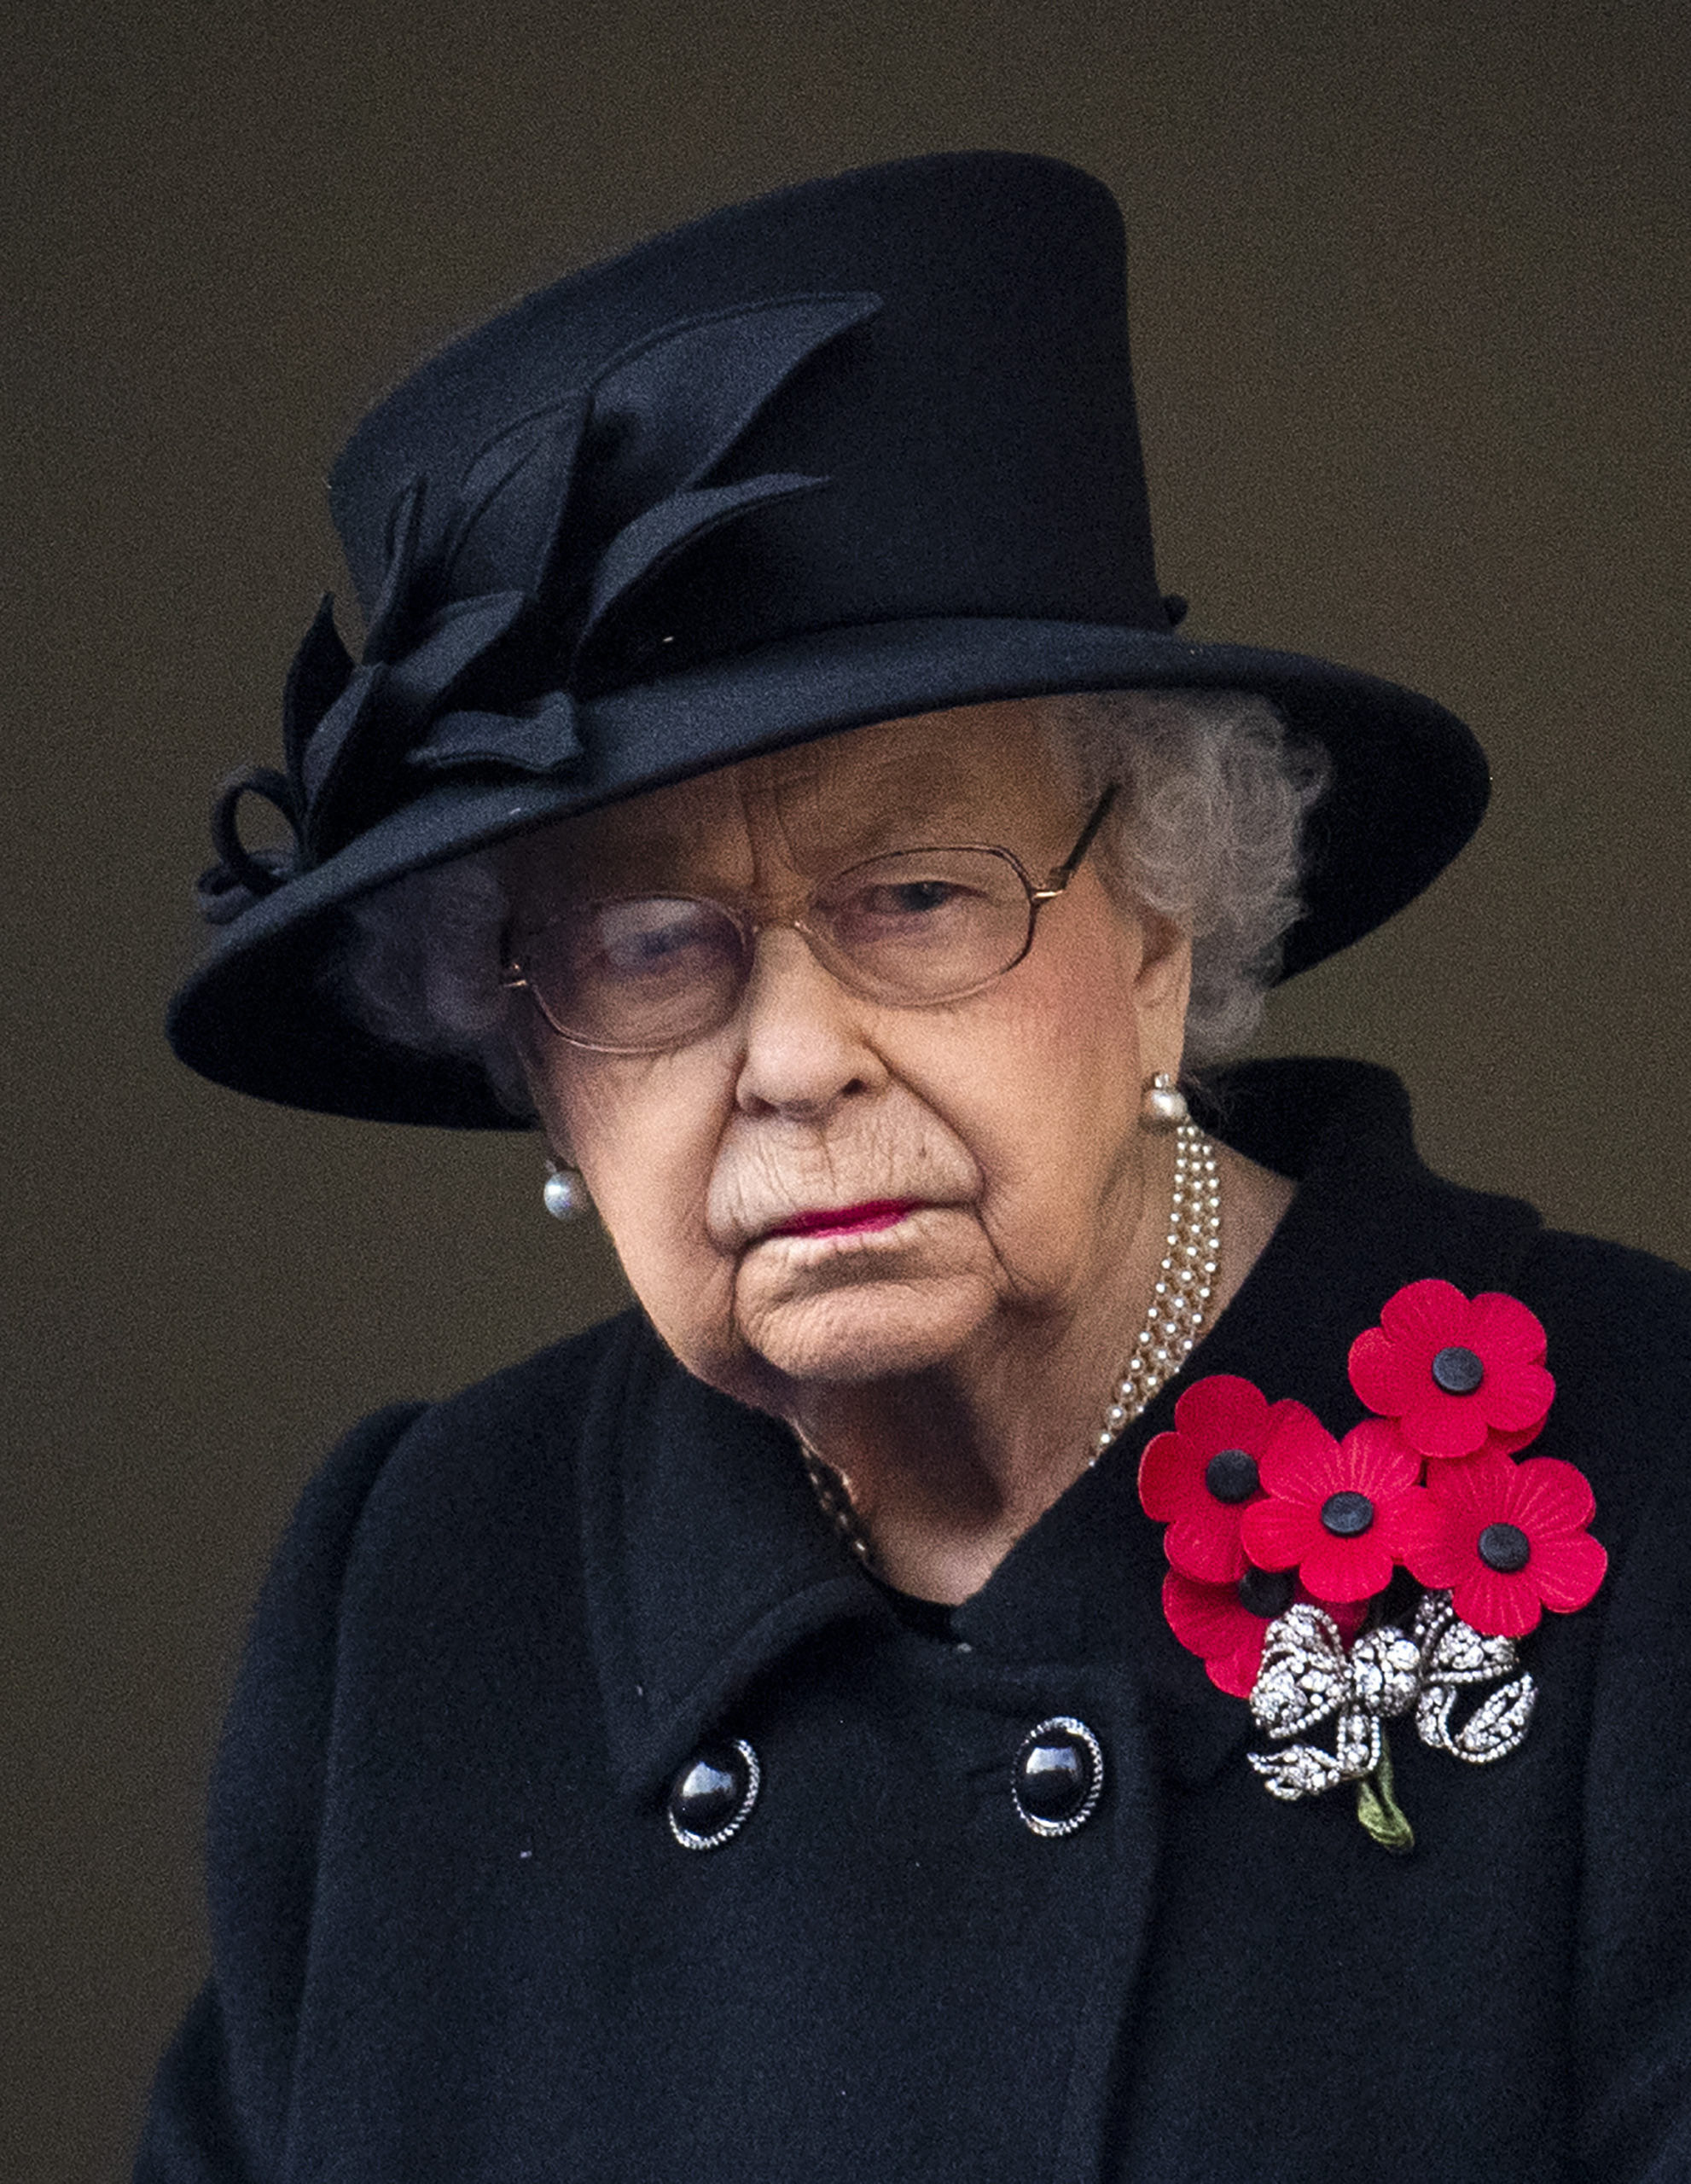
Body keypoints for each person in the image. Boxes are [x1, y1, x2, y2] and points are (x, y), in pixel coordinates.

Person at [138, 153, 1691, 2182]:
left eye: (917, 892)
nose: (794, 1059)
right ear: (532, 1056)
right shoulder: (421, 1579)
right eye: (644, 944)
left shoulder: (1653, 1480)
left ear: (1160, 928)